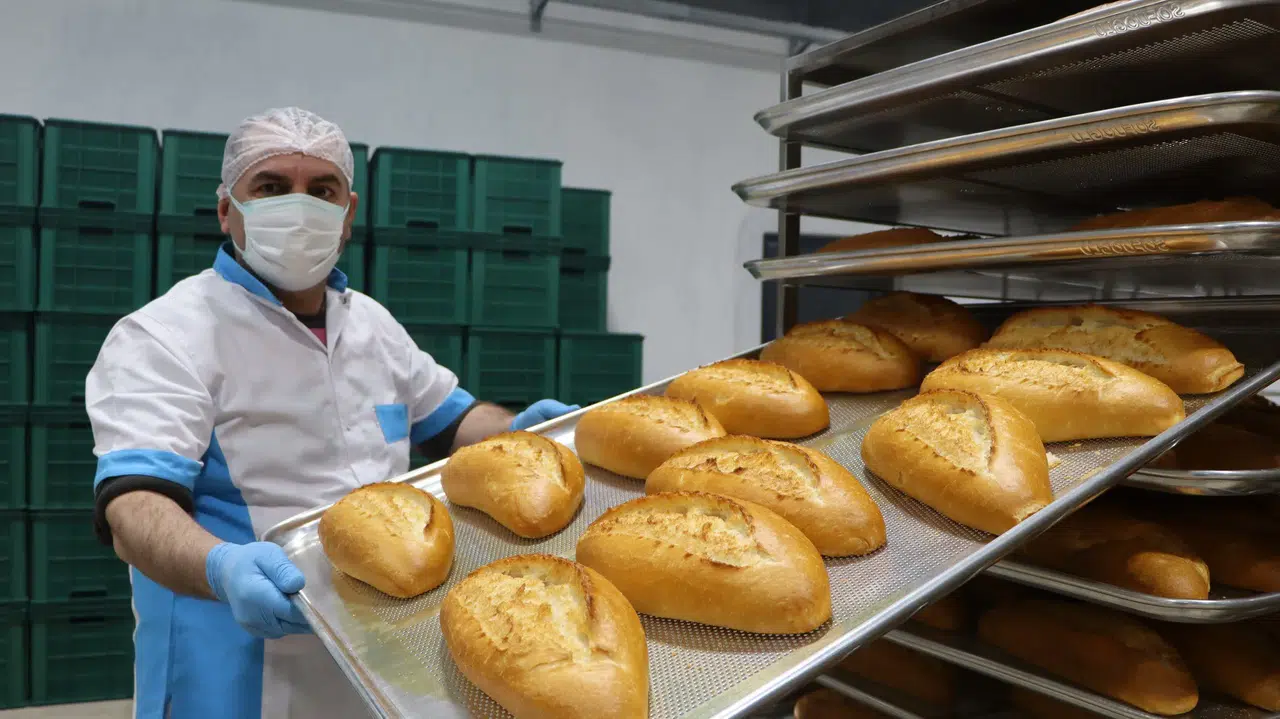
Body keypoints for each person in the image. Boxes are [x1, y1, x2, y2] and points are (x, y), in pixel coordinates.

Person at [85, 107, 578, 718]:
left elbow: (449, 421)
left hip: (373, 650)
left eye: (321, 190)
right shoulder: (165, 335)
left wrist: (518, 432)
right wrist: (222, 569)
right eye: (271, 187)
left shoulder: (370, 323)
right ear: (226, 210)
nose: (298, 207)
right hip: (233, 658)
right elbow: (134, 506)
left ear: (348, 213)